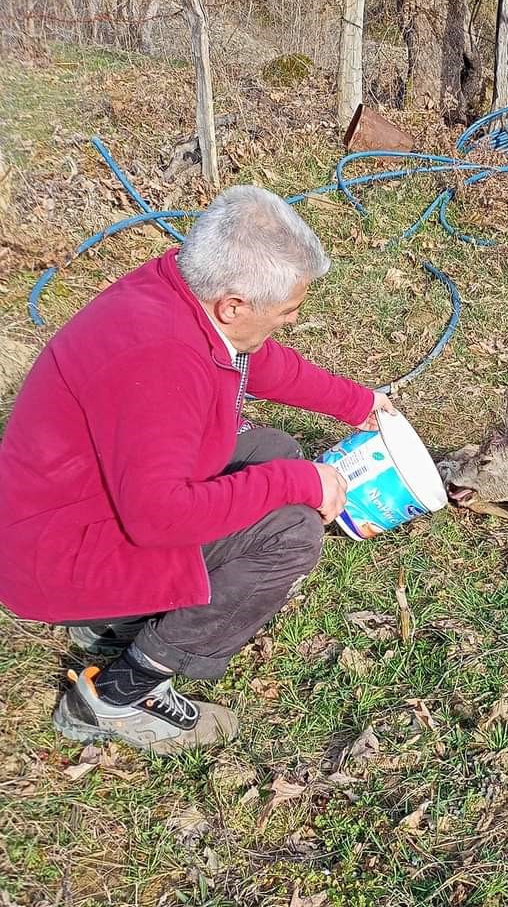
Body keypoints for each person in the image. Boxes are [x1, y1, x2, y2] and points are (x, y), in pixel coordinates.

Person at [0, 186, 392, 753]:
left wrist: (360, 403)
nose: (290, 321)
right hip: (58, 558)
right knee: (291, 530)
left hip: (68, 518)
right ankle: (118, 694)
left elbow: (255, 358)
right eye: (286, 312)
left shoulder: (174, 291)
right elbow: (160, 517)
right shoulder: (161, 361)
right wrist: (301, 482)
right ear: (232, 304)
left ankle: (114, 618)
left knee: (273, 449)